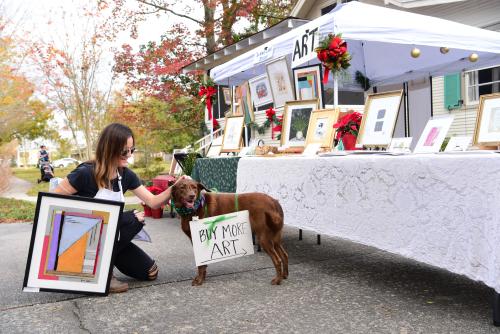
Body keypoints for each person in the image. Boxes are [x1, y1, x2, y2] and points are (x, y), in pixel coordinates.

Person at [54, 123, 185, 293]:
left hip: (111, 238)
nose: (129, 155)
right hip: (81, 240)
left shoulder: (126, 175)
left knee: (150, 272)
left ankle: (108, 259)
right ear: (109, 148)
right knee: (133, 219)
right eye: (124, 151)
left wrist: (175, 187)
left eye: (132, 150)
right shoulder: (85, 173)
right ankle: (101, 274)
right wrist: (123, 218)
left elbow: (152, 202)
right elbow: (54, 202)